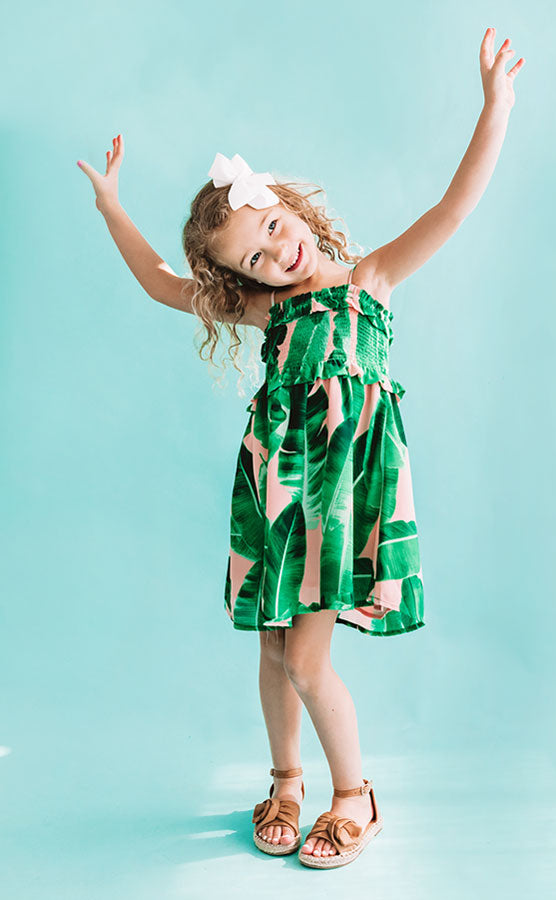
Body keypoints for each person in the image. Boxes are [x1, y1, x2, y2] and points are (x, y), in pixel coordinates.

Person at [77, 26, 524, 869]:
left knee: (309, 660)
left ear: (290, 206)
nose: (280, 251)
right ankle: (284, 779)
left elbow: (453, 205)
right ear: (245, 280)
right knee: (272, 646)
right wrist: (111, 206)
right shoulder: (267, 314)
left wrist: (493, 107)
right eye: (258, 257)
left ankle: (353, 795)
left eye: (276, 227)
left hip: (340, 495)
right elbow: (162, 286)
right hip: (278, 493)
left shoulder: (370, 281)